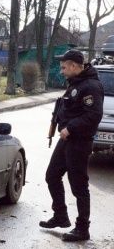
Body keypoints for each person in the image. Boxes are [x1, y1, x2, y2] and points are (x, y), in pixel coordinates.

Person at [39, 49, 104, 241]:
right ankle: (60, 216)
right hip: (67, 140)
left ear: (74, 66)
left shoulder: (90, 86)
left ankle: (82, 229)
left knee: (79, 186)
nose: (62, 71)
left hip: (79, 141)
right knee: (52, 176)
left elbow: (93, 115)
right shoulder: (77, 83)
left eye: (64, 67)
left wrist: (71, 128)